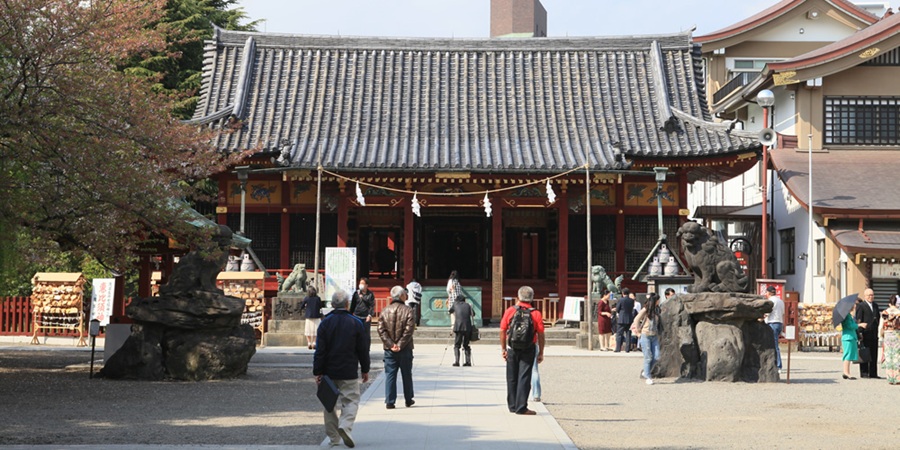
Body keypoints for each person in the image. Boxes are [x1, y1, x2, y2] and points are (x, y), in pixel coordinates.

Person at [313, 290, 370, 448]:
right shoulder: (356, 322)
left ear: (332, 304)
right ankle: (345, 426)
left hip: (328, 371)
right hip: (349, 369)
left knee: (329, 404)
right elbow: (362, 349)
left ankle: (334, 438)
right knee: (351, 400)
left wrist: (317, 371)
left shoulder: (325, 323)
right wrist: (365, 369)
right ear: (347, 304)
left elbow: (320, 350)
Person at [499, 285, 545, 416]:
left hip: (512, 348)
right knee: (524, 377)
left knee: (511, 377)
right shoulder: (535, 313)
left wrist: (503, 348)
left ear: (518, 296)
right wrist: (541, 352)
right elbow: (541, 333)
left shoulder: (510, 311)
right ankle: (521, 407)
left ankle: (512, 405)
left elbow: (502, 330)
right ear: (532, 297)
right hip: (528, 348)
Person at [377, 286, 416, 409]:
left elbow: (381, 330)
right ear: (401, 296)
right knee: (406, 374)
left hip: (389, 350)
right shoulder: (408, 310)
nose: (406, 295)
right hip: (405, 348)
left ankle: (390, 401)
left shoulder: (384, 311)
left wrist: (391, 344)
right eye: (405, 294)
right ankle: (408, 399)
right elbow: (409, 330)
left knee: (390, 374)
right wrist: (400, 345)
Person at [632, 292, 661, 385]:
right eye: (658, 300)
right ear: (655, 300)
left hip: (655, 335)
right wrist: (638, 332)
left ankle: (646, 371)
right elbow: (636, 319)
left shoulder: (657, 310)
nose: (659, 301)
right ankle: (648, 376)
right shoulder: (646, 309)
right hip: (645, 334)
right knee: (648, 356)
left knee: (657, 356)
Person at [855, 288, 881, 378]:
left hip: (874, 333)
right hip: (865, 333)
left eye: (872, 295)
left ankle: (873, 373)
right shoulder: (861, 306)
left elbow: (878, 317)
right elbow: (858, 319)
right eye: (869, 295)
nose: (871, 297)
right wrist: (859, 333)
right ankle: (864, 372)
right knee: (865, 352)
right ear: (865, 296)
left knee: (874, 354)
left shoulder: (876, 306)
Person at [449, 294, 474, 366]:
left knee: (457, 345)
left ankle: (457, 361)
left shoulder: (455, 305)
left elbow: (450, 311)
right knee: (466, 345)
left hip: (458, 327)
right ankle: (468, 362)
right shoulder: (468, 305)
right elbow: (473, 314)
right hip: (467, 327)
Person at [764, 286, 784, 372]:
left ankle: (778, 365)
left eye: (766, 292)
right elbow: (783, 312)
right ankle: (775, 363)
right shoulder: (780, 301)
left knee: (774, 345)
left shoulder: (771, 301)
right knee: (775, 344)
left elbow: (768, 312)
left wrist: (762, 317)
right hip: (779, 322)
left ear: (768, 293)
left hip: (772, 322)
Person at [879, 301, 900, 384]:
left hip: (887, 335)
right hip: (897, 335)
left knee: (888, 356)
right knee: (897, 356)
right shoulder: (898, 312)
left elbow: (881, 325)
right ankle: (897, 378)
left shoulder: (885, 312)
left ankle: (890, 378)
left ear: (889, 303)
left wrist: (880, 336)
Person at [841, 301, 860, 380]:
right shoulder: (846, 316)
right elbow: (850, 326)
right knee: (847, 355)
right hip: (848, 337)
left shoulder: (848, 315)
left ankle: (847, 372)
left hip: (850, 337)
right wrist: (859, 325)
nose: (855, 306)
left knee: (849, 354)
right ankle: (846, 372)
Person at [614, 288, 635, 353]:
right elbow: (632, 308)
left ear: (623, 293)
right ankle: (627, 349)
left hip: (622, 318)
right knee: (628, 334)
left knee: (619, 334)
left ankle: (618, 348)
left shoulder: (621, 300)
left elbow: (617, 309)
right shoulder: (631, 300)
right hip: (629, 318)